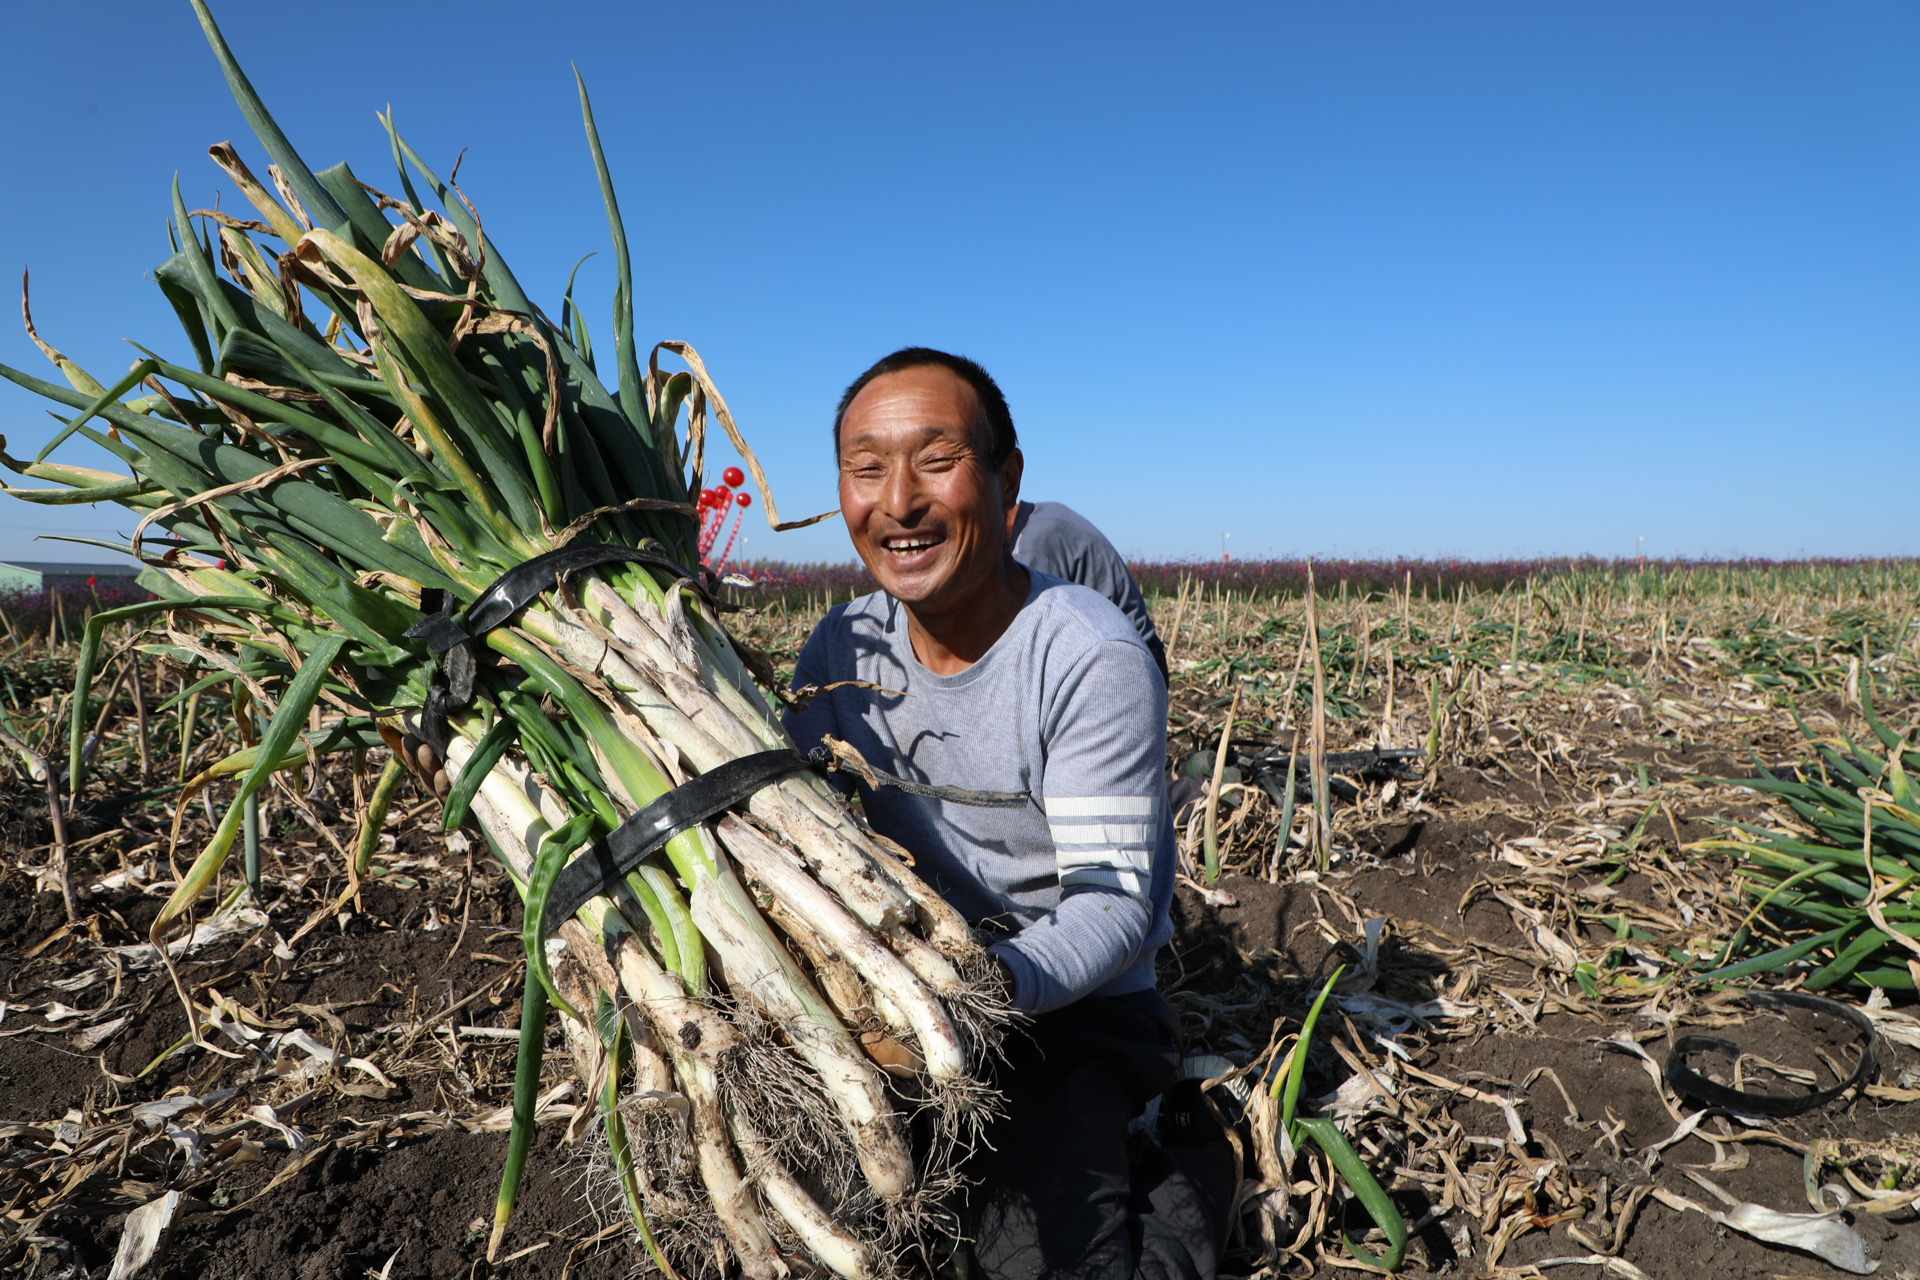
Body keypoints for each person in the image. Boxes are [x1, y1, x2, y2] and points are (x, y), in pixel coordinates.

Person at [783, 347, 1234, 1280]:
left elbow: (1112, 907)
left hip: (1062, 1005)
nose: (898, 501)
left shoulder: (1086, 655)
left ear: (1006, 480)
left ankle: (1188, 1157)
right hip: (899, 1000)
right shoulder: (841, 648)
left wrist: (972, 995)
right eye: (866, 469)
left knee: (1046, 1262)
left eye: (936, 461)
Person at [1011, 501, 1169, 684]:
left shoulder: (1032, 549)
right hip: (1139, 650)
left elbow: (1029, 643)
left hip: (1129, 663)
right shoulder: (1044, 514)